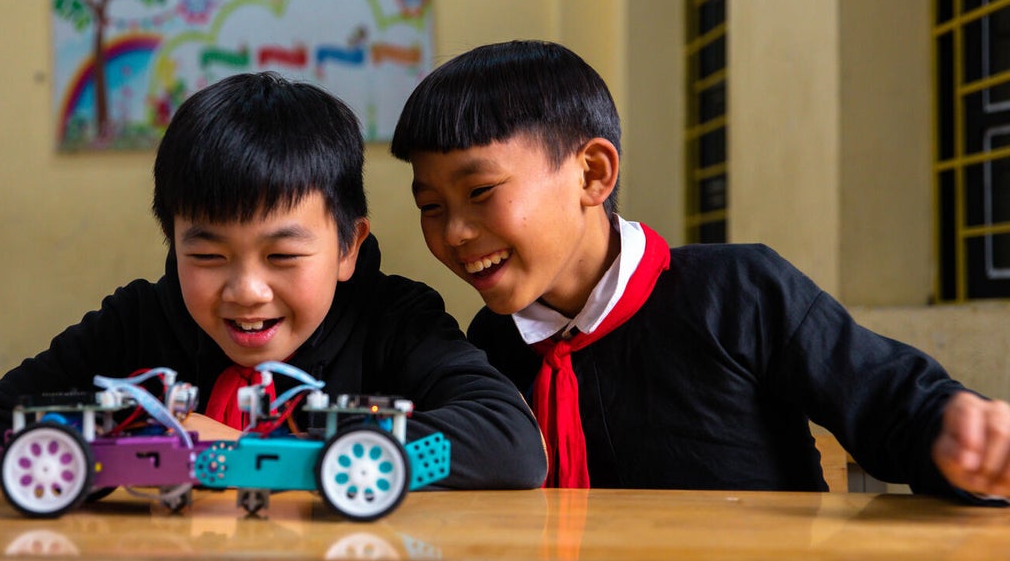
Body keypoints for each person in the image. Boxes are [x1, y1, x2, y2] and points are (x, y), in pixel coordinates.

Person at [0, 72, 547, 492]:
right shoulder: (142, 320)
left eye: (282, 257)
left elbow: (507, 443)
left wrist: (261, 459)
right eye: (209, 256)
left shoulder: (394, 317)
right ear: (172, 242)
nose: (246, 291)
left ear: (346, 246)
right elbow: (11, 421)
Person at [389, 39, 1010, 501]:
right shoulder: (489, 347)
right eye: (430, 206)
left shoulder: (739, 292)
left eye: (480, 191)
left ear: (592, 174)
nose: (454, 232)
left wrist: (958, 435)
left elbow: (892, 403)